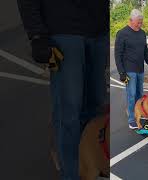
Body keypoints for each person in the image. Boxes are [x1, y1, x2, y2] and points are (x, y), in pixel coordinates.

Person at [17, 0, 107, 179]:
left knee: (96, 108)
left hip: (99, 30)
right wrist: (36, 35)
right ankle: (71, 175)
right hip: (63, 31)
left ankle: (91, 169)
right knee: (69, 112)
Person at [115, 9, 148, 129]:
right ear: (131, 20)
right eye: (138, 22)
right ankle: (132, 119)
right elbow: (118, 54)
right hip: (129, 70)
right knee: (131, 95)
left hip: (140, 70)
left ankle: (139, 113)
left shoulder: (142, 33)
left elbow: (145, 51)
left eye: (141, 22)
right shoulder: (122, 33)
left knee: (139, 94)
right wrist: (122, 73)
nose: (140, 24)